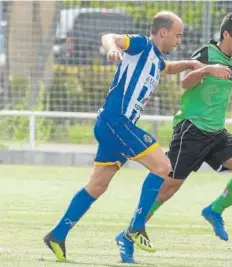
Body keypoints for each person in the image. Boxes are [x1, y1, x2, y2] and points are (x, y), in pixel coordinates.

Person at [43, 11, 220, 263]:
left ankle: (57, 235)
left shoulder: (156, 58)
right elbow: (109, 36)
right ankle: (136, 227)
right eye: (177, 35)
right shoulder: (142, 44)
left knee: (97, 186)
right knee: (163, 166)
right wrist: (113, 47)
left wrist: (192, 65)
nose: (180, 40)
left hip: (113, 127)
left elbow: (167, 67)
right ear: (162, 32)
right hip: (117, 122)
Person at [115, 11, 232, 262]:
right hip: (191, 130)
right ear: (225, 34)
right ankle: (128, 233)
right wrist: (207, 70)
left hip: (216, 133)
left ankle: (214, 210)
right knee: (168, 188)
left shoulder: (231, 59)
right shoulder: (206, 53)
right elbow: (185, 82)